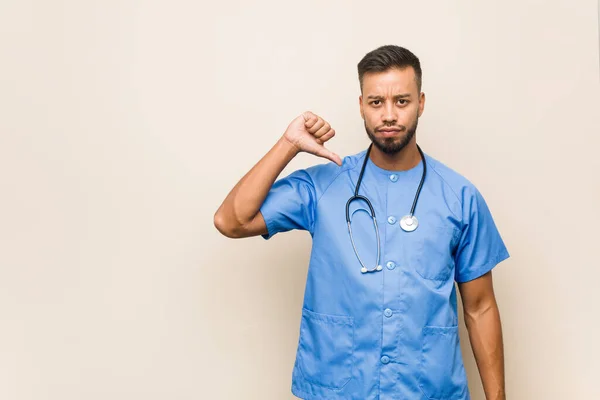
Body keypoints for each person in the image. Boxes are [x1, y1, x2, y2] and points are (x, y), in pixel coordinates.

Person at [214, 45, 509, 400]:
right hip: (339, 390)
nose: (388, 115)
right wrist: (289, 144)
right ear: (361, 107)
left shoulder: (460, 198)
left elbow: (480, 308)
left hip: (427, 390)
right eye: (376, 102)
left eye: (402, 101)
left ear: (421, 103)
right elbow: (231, 220)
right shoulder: (322, 186)